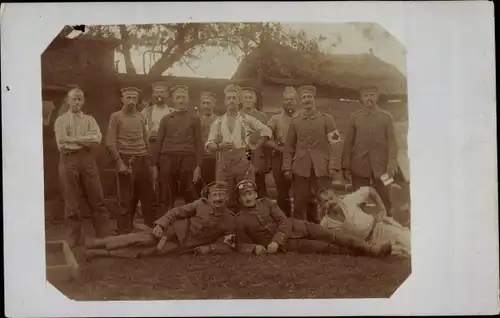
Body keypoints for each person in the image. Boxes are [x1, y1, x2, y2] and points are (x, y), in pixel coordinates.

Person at [234, 179, 392, 257]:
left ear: (255, 194)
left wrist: (276, 241)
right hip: (290, 244)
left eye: (249, 194)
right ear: (240, 199)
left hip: (298, 227)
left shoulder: (267, 203)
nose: (247, 198)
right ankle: (364, 252)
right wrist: (254, 248)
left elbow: (283, 221)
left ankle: (373, 248)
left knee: (333, 236)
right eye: (243, 196)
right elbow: (241, 244)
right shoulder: (240, 219)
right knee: (325, 248)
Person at [84, 181, 237, 259]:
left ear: (227, 198)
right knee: (145, 240)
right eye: (214, 195)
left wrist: (209, 249)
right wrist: (161, 225)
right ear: (208, 197)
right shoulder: (199, 204)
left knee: (147, 252)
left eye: (221, 195)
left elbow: (229, 245)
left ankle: (99, 253)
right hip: (172, 232)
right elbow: (175, 212)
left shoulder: (230, 219)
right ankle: (99, 243)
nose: (217, 198)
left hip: (183, 246)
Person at [54, 87, 112, 247]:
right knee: (72, 201)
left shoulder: (90, 120)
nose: (77, 102)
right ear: (67, 100)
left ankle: (104, 234)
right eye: (74, 98)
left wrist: (74, 139)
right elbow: (62, 144)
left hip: (87, 159)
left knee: (97, 196)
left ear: (83, 101)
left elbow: (97, 139)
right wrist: (85, 139)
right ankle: (73, 236)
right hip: (68, 160)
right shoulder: (61, 121)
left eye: (80, 99)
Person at [205, 84, 272, 211]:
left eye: (234, 98)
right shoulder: (218, 122)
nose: (231, 101)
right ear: (225, 101)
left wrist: (255, 146)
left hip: (243, 163)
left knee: (246, 195)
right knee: (225, 196)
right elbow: (209, 144)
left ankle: (247, 225)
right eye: (229, 98)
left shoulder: (247, 119)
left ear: (239, 101)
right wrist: (220, 146)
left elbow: (267, 131)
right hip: (224, 165)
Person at [283, 85, 343, 223]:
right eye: (303, 97)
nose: (307, 100)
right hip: (300, 168)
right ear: (300, 101)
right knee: (299, 203)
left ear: (314, 98)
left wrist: (333, 165)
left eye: (309, 97)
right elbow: (289, 146)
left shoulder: (327, 119)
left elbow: (335, 143)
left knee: (325, 202)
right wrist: (287, 166)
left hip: (321, 168)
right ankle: (299, 232)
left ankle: (326, 230)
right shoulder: (295, 121)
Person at [341, 85, 398, 216]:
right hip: (359, 167)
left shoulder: (386, 117)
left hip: (383, 168)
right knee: (359, 200)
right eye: (365, 96)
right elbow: (348, 143)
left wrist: (392, 165)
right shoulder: (355, 117)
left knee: (386, 198)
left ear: (376, 97)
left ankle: (389, 225)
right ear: (361, 98)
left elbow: (393, 144)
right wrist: (346, 166)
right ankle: (362, 229)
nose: (369, 98)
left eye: (371, 95)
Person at [106, 87, 155, 233]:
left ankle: (151, 230)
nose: (131, 101)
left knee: (148, 195)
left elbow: (145, 138)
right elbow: (110, 141)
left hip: (143, 159)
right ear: (122, 99)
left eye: (134, 98)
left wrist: (149, 159)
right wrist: (119, 162)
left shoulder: (140, 116)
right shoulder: (116, 117)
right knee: (125, 198)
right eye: (128, 98)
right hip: (126, 160)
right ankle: (124, 231)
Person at [317, 185, 410, 257]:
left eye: (331, 198)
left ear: (336, 197)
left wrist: (381, 209)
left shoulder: (348, 200)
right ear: (321, 205)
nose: (330, 202)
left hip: (377, 229)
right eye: (325, 201)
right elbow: (325, 242)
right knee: (399, 250)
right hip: (366, 246)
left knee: (408, 240)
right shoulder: (325, 223)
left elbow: (369, 190)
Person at [152, 84, 204, 211]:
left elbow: (199, 143)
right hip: (167, 159)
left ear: (188, 99)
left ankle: (192, 223)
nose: (181, 100)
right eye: (178, 97)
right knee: (167, 192)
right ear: (173, 100)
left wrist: (198, 166)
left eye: (183, 97)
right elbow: (158, 142)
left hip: (187, 158)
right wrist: (154, 165)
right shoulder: (166, 119)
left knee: (189, 190)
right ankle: (164, 223)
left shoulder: (194, 118)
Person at [140, 82, 175, 218]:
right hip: (151, 147)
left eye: (162, 92)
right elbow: (141, 130)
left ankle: (166, 212)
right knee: (150, 179)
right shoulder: (146, 112)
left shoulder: (172, 112)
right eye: (157, 92)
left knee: (166, 180)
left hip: (168, 149)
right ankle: (151, 214)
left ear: (167, 95)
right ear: (153, 95)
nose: (159, 95)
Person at [266, 86, 298, 217]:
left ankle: (298, 221)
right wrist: (278, 147)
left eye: (291, 99)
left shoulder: (302, 117)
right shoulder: (275, 119)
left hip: (298, 157)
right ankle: (283, 220)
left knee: (299, 191)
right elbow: (265, 138)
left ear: (296, 101)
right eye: (286, 99)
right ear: (282, 102)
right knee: (282, 192)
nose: (289, 102)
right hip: (279, 158)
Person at [239, 86, 271, 198]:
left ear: (255, 99)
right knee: (242, 188)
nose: (248, 100)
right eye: (245, 97)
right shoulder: (235, 116)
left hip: (258, 157)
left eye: (250, 97)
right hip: (241, 158)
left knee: (260, 189)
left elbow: (267, 140)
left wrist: (268, 161)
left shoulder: (262, 117)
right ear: (240, 100)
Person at [196, 91, 218, 194]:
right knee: (196, 187)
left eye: (209, 103)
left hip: (214, 158)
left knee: (213, 186)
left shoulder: (219, 120)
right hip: (198, 159)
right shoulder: (195, 120)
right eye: (203, 103)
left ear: (214, 104)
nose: (206, 106)